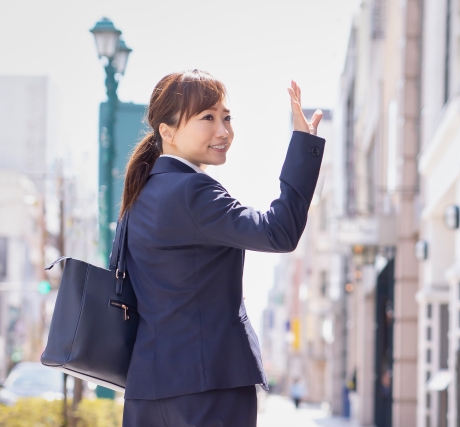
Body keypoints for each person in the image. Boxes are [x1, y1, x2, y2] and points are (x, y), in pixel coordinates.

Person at [119, 70, 324, 427]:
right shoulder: (192, 192)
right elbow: (279, 232)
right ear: (167, 131)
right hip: (209, 387)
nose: (223, 131)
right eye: (207, 118)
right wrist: (304, 145)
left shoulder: (138, 198)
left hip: (147, 389)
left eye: (226, 117)